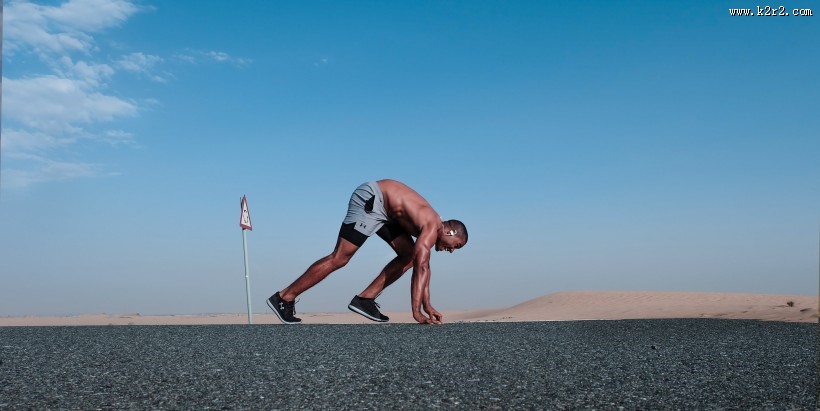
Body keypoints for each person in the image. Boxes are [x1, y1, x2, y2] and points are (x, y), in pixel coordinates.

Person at [267, 179, 467, 325]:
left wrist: (427, 305)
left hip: (388, 212)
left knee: (408, 256)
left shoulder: (430, 226)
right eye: (455, 245)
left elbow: (424, 268)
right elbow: (422, 268)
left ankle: (365, 300)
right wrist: (417, 312)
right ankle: (284, 297)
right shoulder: (431, 226)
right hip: (373, 198)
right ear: (449, 231)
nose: (451, 251)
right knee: (340, 257)